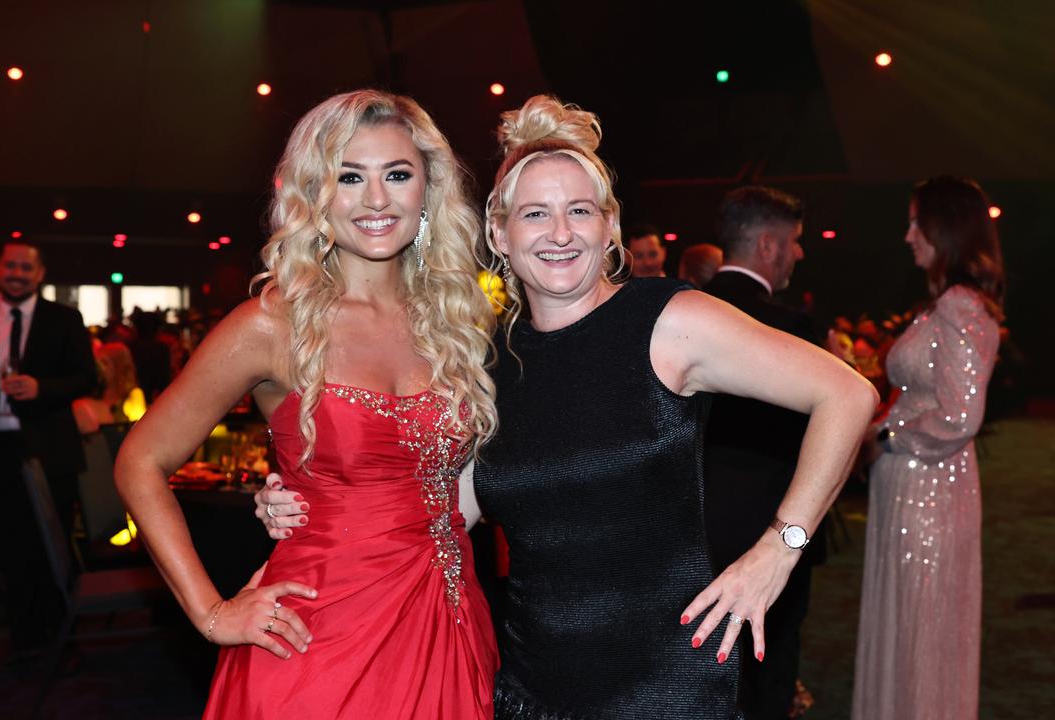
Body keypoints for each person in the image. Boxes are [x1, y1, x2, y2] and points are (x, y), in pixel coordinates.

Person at [261, 96, 878, 719]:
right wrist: (316, 506)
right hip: (533, 688)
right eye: (535, 214)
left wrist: (780, 547)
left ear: (609, 226)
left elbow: (848, 394)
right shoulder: (485, 359)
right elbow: (442, 511)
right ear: (498, 234)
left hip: (668, 686)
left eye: (579, 211)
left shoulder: (668, 322)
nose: (560, 234)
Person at [113, 89, 501, 719]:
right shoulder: (272, 324)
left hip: (447, 618)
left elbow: (462, 486)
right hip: (314, 637)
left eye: (397, 174)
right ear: (315, 194)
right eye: (350, 177)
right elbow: (139, 461)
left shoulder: (456, 322)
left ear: (427, 190)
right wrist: (211, 612)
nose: (376, 199)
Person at [852, 176, 1004, 720]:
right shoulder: (944, 304)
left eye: (917, 221)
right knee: (910, 620)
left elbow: (962, 416)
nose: (908, 234)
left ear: (946, 229)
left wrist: (889, 435)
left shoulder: (960, 307)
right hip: (913, 486)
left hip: (928, 491)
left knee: (923, 624)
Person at [701, 186, 822, 719]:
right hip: (773, 531)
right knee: (769, 677)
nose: (799, 253)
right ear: (769, 246)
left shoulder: (677, 313)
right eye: (795, 242)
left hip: (688, 527)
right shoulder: (794, 327)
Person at [0, 241, 97, 659]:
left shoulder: (65, 319)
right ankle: (24, 642)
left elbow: (88, 378)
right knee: (9, 552)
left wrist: (41, 388)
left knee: (54, 548)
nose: (17, 272)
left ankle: (61, 641)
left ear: (40, 273)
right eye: (10, 265)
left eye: (25, 267)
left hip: (52, 451)